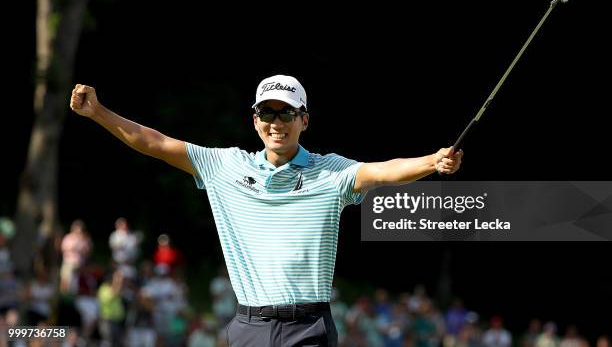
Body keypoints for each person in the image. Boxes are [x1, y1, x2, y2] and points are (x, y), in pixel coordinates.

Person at [69, 75, 462, 346]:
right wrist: (99, 112)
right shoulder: (225, 166)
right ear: (255, 120)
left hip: (309, 327)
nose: (277, 123)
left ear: (303, 119)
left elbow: (383, 171)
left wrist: (433, 161)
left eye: (286, 113)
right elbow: (153, 142)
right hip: (249, 327)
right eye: (268, 113)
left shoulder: (331, 172)